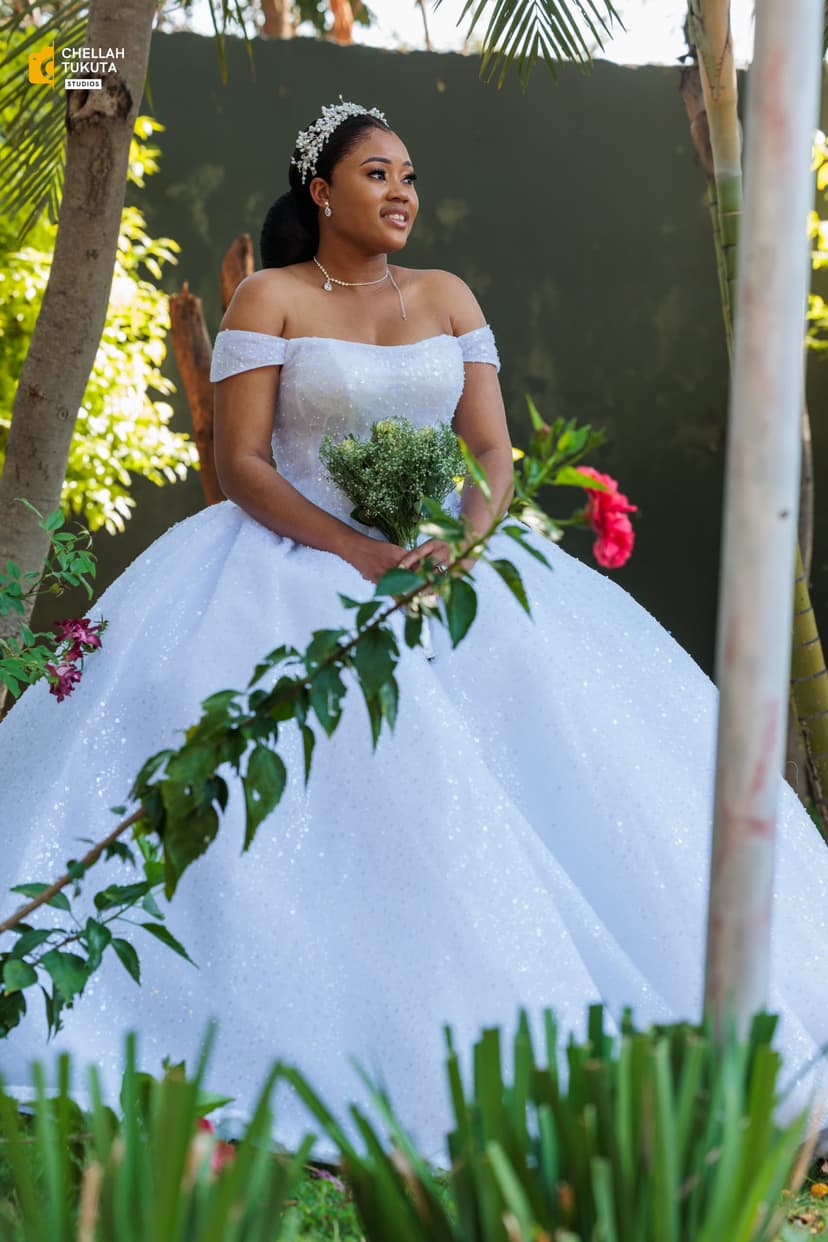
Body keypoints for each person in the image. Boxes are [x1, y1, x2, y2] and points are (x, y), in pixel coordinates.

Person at [1, 97, 828, 1167]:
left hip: (452, 562)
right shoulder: (273, 296)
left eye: (409, 176)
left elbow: (490, 450)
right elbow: (243, 463)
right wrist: (358, 556)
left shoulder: (448, 297)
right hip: (292, 562)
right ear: (322, 190)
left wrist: (461, 547)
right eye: (377, 175)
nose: (401, 194)